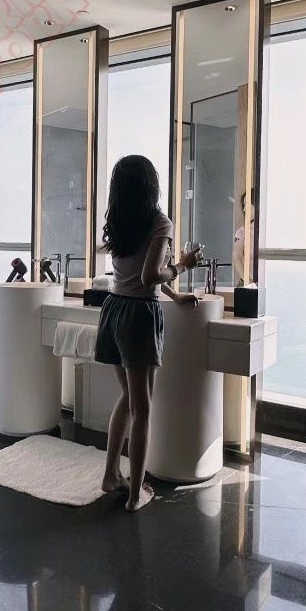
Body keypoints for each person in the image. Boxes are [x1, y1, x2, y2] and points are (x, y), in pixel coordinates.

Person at [95, 155, 202, 512]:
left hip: (114, 310)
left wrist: (176, 295)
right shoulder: (159, 222)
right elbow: (149, 275)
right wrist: (183, 265)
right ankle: (135, 495)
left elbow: (136, 274)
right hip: (138, 316)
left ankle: (111, 475)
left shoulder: (119, 221)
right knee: (142, 408)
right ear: (151, 185)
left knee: (128, 398)